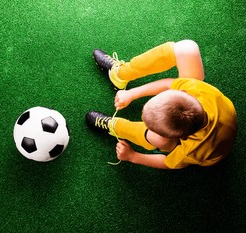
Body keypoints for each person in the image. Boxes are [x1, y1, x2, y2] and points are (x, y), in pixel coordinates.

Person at [86, 40, 237, 169]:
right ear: (183, 93)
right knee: (187, 48)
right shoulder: (198, 90)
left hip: (211, 152)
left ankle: (116, 126)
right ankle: (119, 75)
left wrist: (133, 156)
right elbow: (168, 85)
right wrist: (132, 94)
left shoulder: (192, 150)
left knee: (158, 139)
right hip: (220, 117)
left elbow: (167, 163)